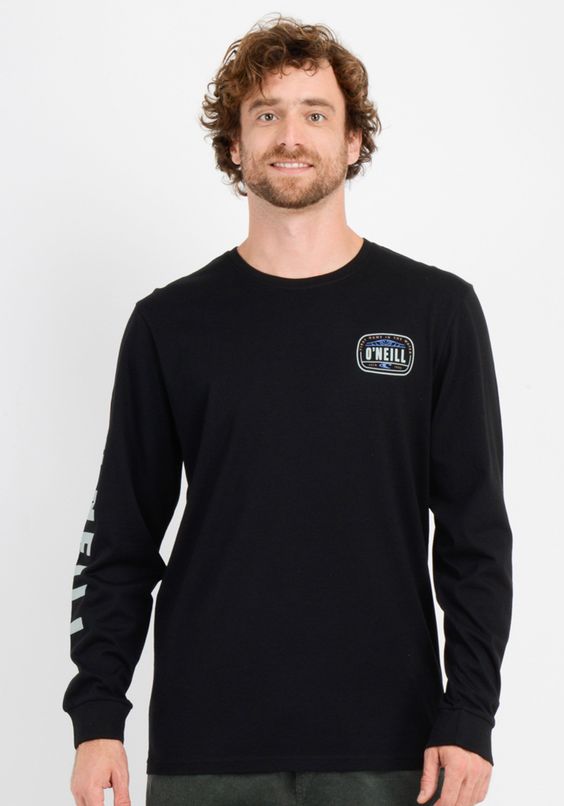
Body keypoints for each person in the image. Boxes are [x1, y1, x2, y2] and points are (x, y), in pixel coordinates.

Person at [63, 14, 513, 806]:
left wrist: (470, 713)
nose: (290, 135)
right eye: (266, 114)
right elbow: (121, 537)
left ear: (353, 141)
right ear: (236, 145)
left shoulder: (435, 312)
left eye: (316, 113)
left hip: (391, 749)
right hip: (206, 749)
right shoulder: (171, 324)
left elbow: (475, 538)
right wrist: (97, 714)